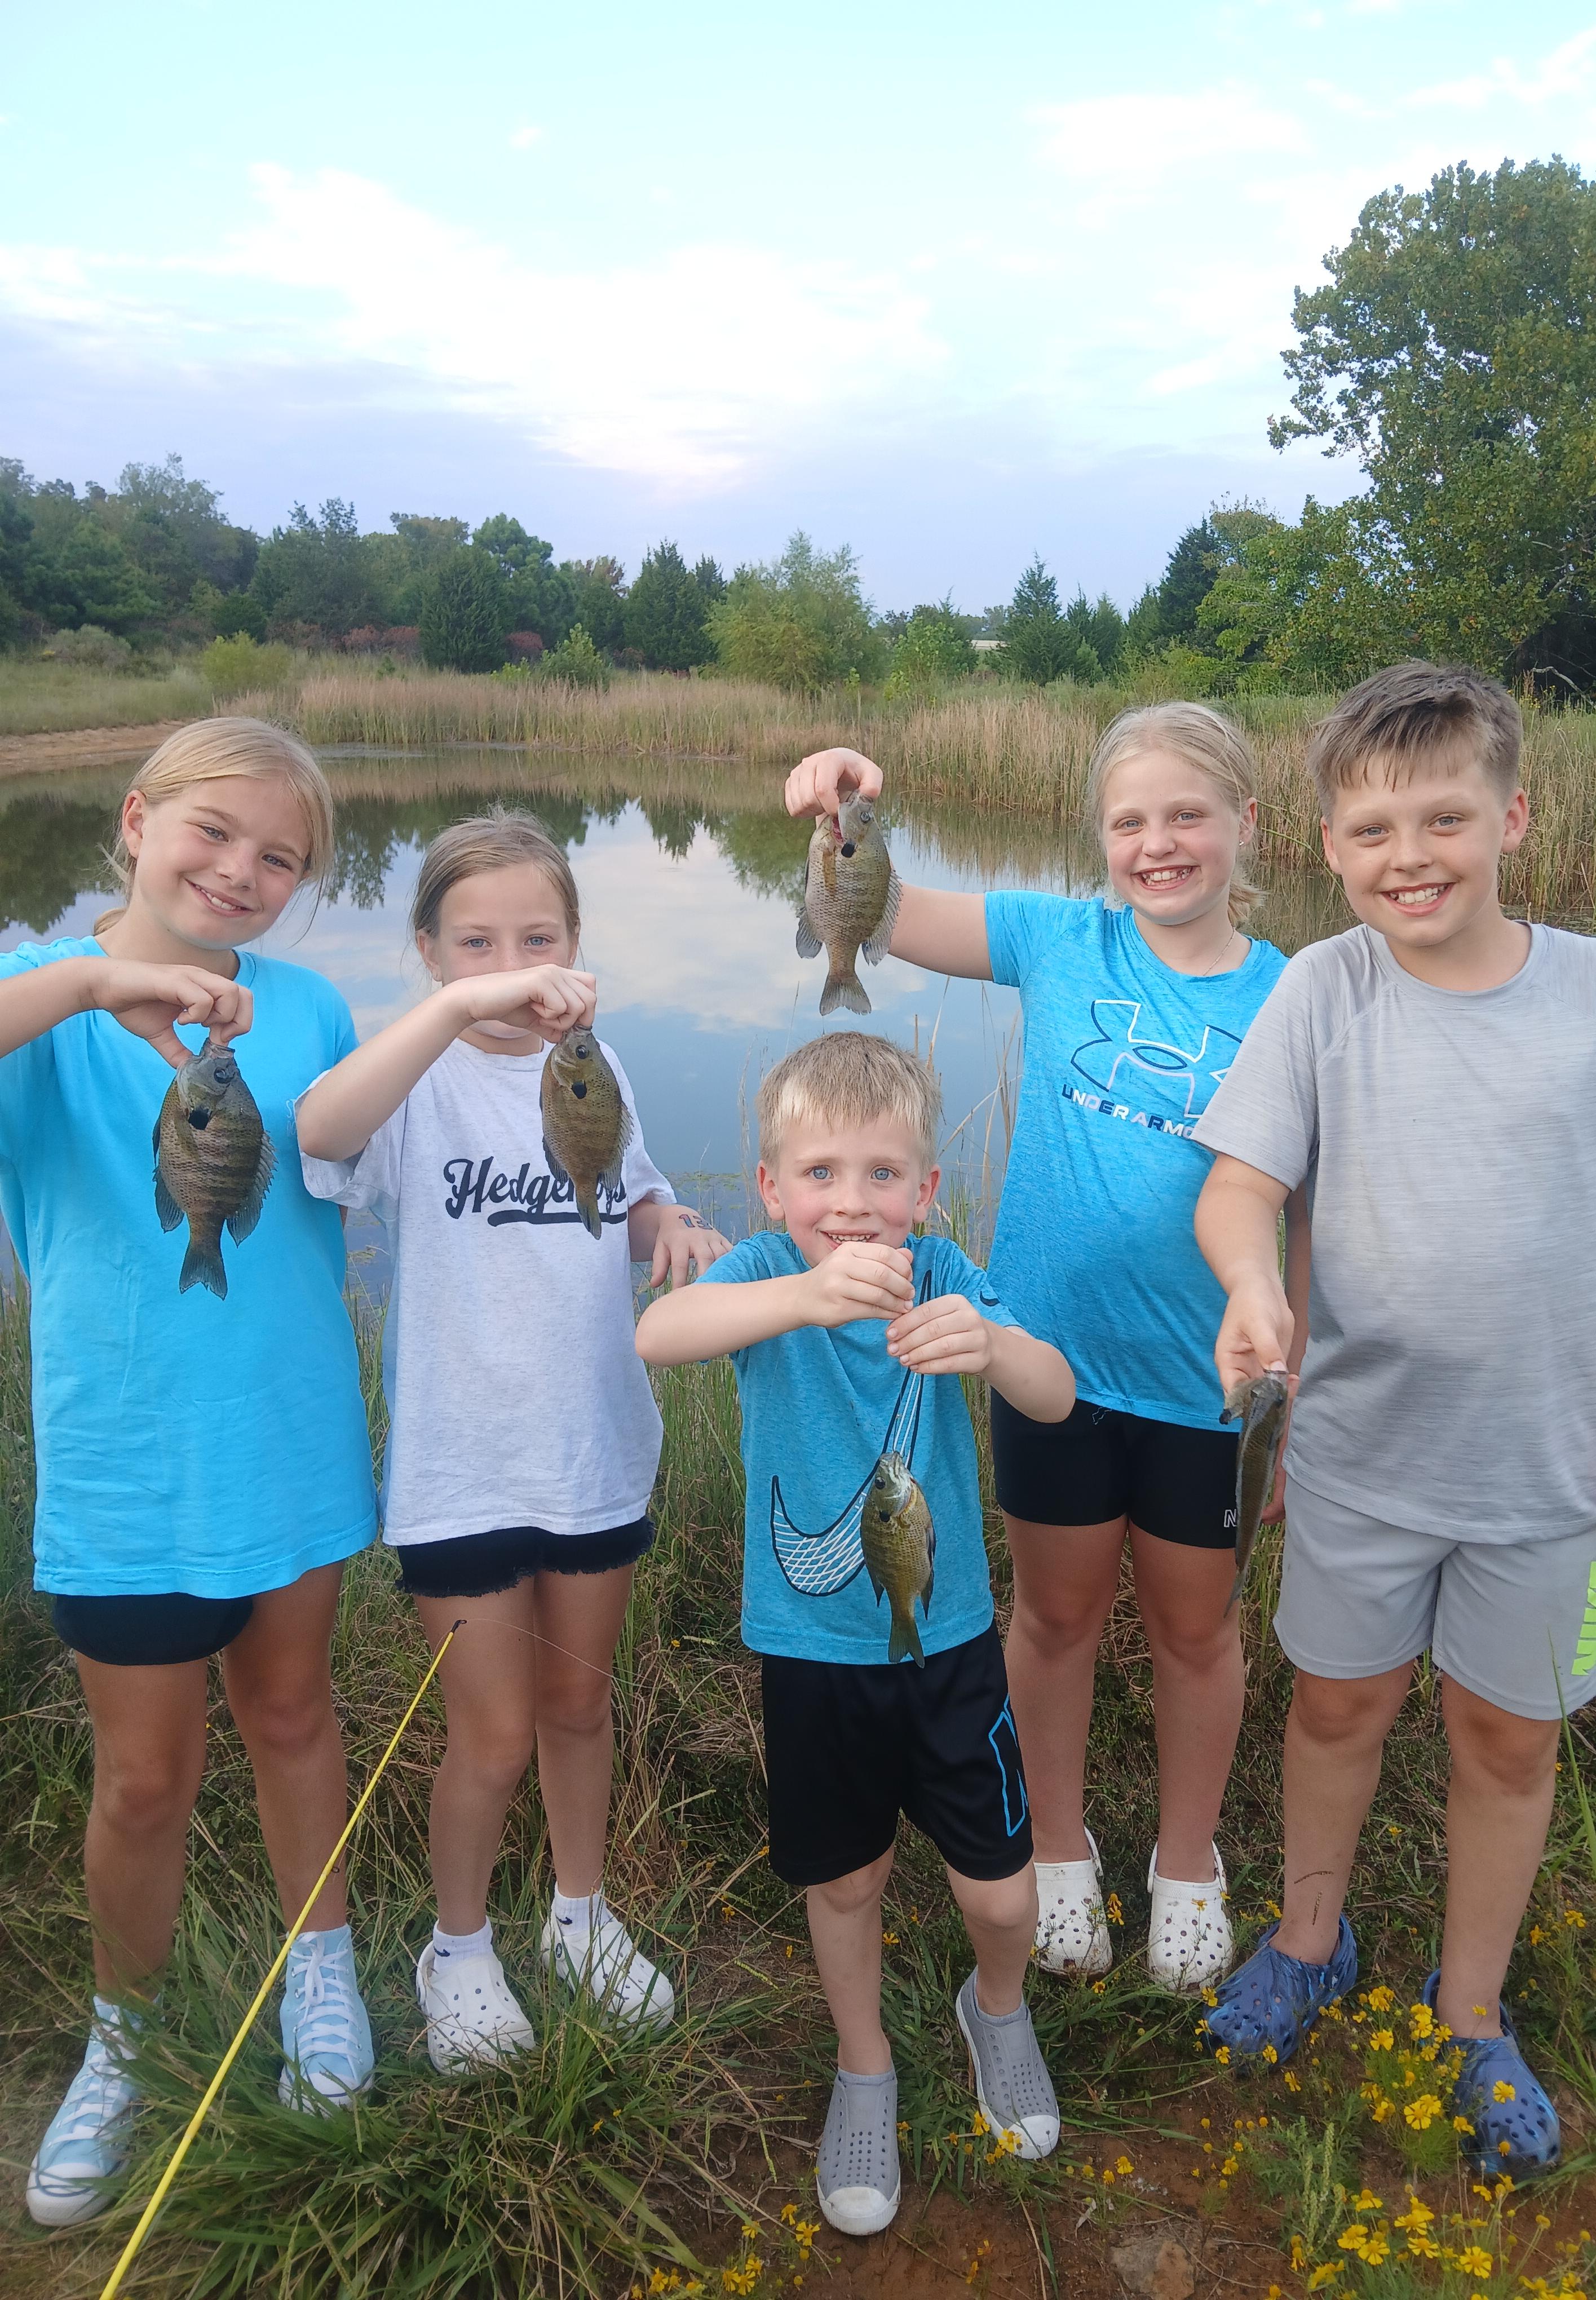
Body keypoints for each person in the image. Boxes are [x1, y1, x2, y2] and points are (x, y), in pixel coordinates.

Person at [1191, 661, 1596, 2180]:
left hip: (1553, 1478)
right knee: (1336, 1709)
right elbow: (1240, 1187)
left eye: (1444, 818)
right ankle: (1310, 1939)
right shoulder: (1322, 990)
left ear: (1514, 816)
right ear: (1326, 844)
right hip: (1357, 1462)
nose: (1408, 856)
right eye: (1370, 831)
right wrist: (1251, 1283)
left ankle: (1471, 2005)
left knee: (1506, 1739)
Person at [784, 708, 1303, 1991]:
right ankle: (1056, 1846)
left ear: (1246, 825)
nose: (1158, 844)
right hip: (1044, 1367)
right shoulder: (1058, 937)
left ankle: (1188, 1862)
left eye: (1187, 816)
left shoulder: (1293, 995)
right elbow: (886, 912)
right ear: (1100, 839)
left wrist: (1297, 1400)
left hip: (1209, 1388)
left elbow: (1309, 1214)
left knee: (1198, 1633)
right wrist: (844, 807)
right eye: (1130, 822)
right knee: (1055, 1618)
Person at [1, 721, 381, 2227]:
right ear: (134, 820)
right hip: (124, 1461)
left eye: (279, 858)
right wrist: (94, 988)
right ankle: (126, 2035)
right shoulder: (41, 995)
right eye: (212, 832)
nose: (240, 871)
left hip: (287, 1434)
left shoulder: (311, 1006)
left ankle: (322, 1971)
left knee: (294, 1716)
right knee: (145, 1777)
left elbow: (357, 1154)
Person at [296, 810, 724, 2068]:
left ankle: (582, 1920)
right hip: (460, 1468)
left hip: (594, 1451)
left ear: (576, 945)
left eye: (537, 938)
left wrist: (669, 1225)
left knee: (579, 1707)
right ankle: (460, 1946)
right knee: (489, 1734)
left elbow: (626, 1192)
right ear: (429, 952)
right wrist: (451, 1014)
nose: (510, 964)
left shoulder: (595, 1063)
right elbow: (321, 1134)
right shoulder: (410, 1075)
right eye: (475, 942)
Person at [635, 1033, 1075, 2237]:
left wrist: (993, 1345)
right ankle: (863, 2065)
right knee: (846, 1880)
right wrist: (801, 1297)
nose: (852, 1203)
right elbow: (659, 1335)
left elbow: (1052, 1394)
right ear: (771, 1189)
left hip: (951, 1645)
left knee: (1003, 1897)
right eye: (820, 1173)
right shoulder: (767, 1273)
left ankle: (997, 2009)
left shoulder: (943, 1272)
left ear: (926, 1190)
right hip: (810, 1657)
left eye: (883, 1175)